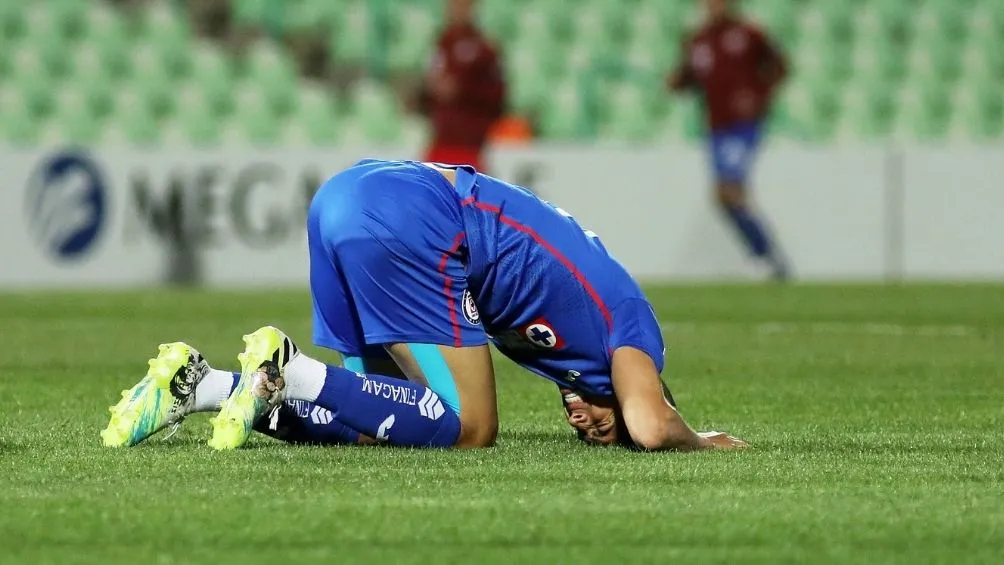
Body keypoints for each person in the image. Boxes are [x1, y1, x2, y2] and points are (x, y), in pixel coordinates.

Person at [102, 160, 746, 451]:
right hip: (419, 217)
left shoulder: (570, 348)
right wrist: (704, 440)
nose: (586, 423)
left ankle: (201, 385)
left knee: (382, 422)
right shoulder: (631, 329)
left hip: (346, 195)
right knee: (470, 427)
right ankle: (288, 367)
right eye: (604, 415)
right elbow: (652, 427)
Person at [668, 0, 790, 280]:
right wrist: (676, 82)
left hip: (742, 125)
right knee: (723, 196)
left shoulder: (749, 33)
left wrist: (760, 97)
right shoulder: (697, 40)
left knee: (729, 190)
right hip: (716, 127)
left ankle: (765, 257)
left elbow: (780, 66)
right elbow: (689, 78)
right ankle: (767, 258)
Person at [421, 0, 506, 171]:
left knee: (469, 195)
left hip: (470, 144)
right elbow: (429, 83)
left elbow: (498, 94)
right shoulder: (442, 43)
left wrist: (462, 90)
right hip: (442, 139)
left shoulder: (485, 48)